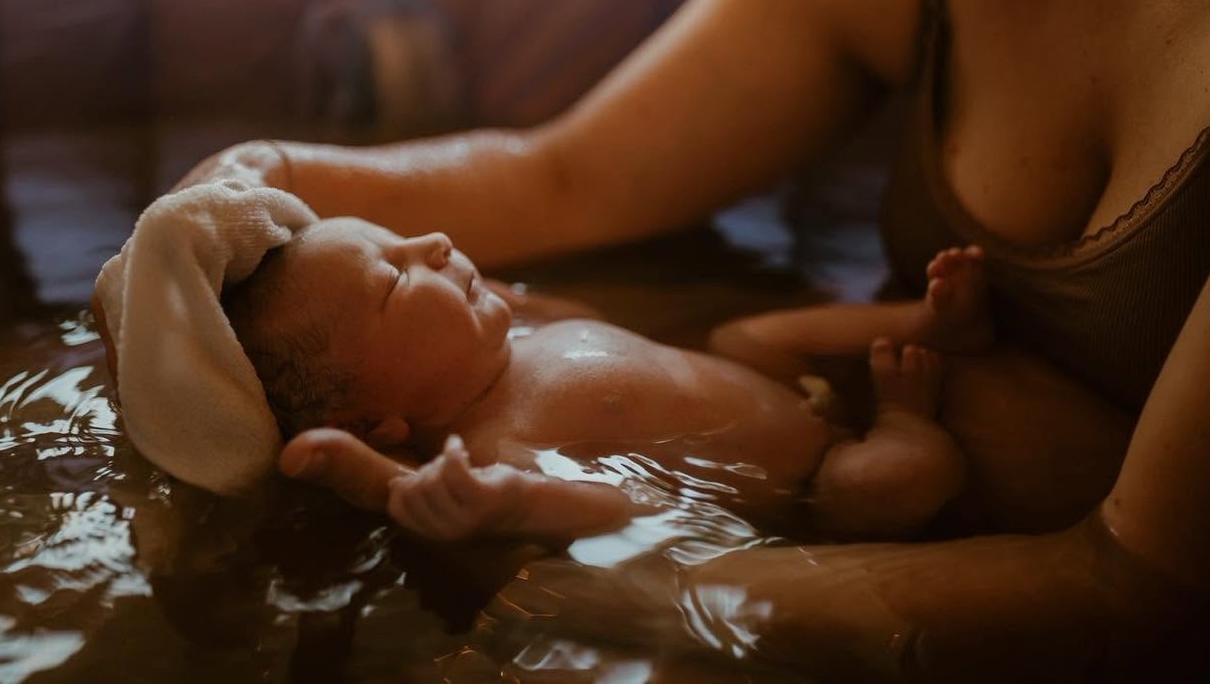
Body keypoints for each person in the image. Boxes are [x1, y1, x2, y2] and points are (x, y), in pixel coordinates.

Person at [153, 0, 1210, 678]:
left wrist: (578, 596)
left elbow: (1144, 592)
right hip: (857, 464)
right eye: (394, 272)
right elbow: (566, 179)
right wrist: (257, 176)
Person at [223, 215, 1024, 544]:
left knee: (743, 335)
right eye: (394, 281)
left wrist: (526, 304)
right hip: (817, 480)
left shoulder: (523, 330)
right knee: (899, 483)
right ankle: (904, 421)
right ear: (380, 423)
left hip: (784, 388)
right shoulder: (501, 445)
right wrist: (514, 503)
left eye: (400, 238)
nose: (432, 240)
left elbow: (603, 322)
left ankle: (928, 325)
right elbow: (626, 514)